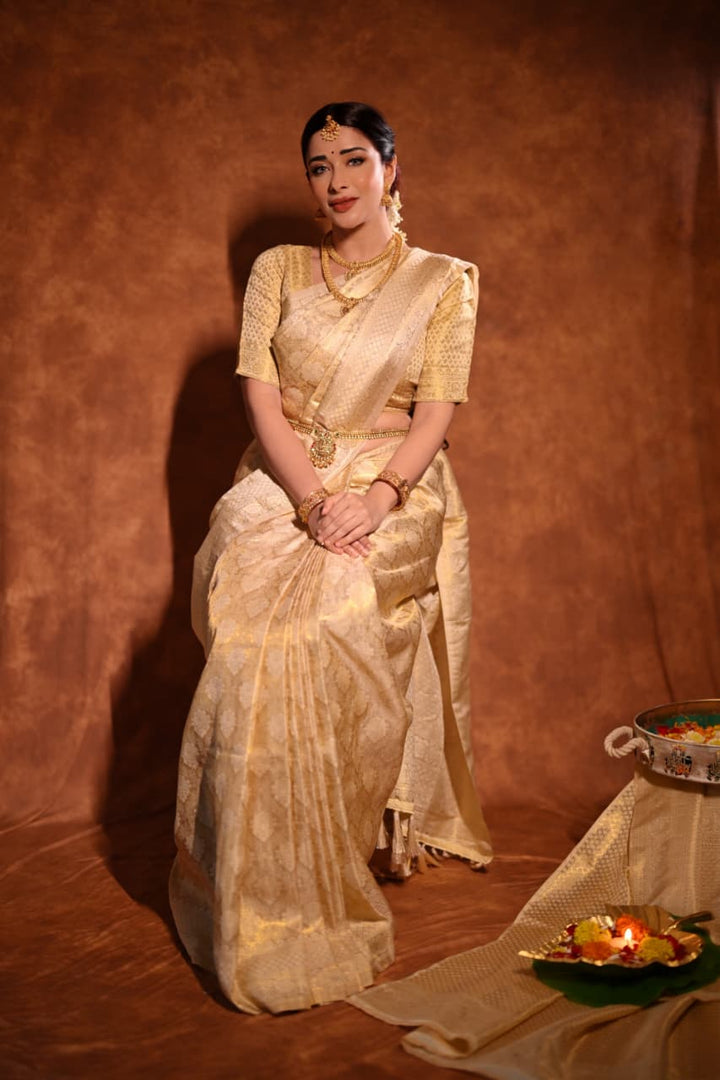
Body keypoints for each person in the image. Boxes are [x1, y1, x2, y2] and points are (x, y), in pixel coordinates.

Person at [169, 102, 493, 1014]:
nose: (337, 180)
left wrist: (376, 499)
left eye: (354, 160)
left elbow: (435, 413)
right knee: (250, 635)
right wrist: (312, 500)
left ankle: (334, 852)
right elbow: (259, 395)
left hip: (396, 480)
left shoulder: (442, 281)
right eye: (319, 166)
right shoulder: (278, 269)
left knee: (332, 615)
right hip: (288, 477)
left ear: (392, 169)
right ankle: (254, 883)